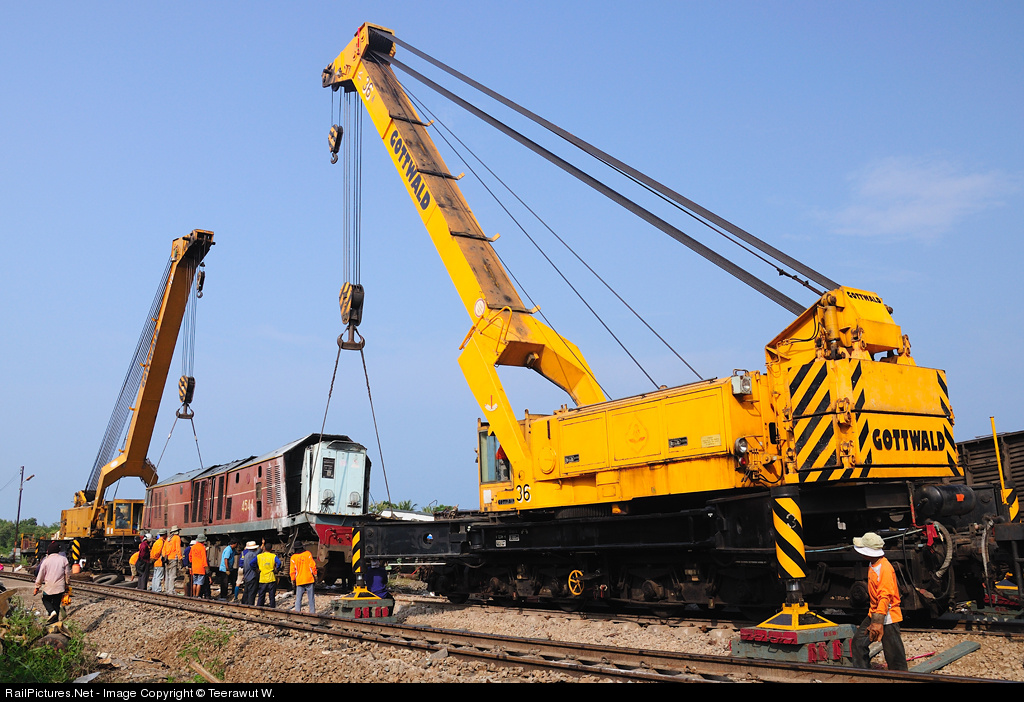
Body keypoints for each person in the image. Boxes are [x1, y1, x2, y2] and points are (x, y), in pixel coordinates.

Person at [851, 532, 908, 671]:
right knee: (858, 643)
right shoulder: (874, 564)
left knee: (894, 655)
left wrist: (878, 622)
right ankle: (863, 673)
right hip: (875, 613)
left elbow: (885, 596)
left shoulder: (884, 568)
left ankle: (901, 677)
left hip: (887, 616)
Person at [33, 543, 71, 623]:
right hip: (60, 587)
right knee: (56, 604)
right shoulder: (64, 559)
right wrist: (67, 583)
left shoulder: (46, 561)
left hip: (49, 586)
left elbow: (40, 575)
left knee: (45, 599)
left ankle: (51, 612)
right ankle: (55, 623)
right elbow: (67, 574)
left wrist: (37, 587)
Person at [289, 543, 317, 613]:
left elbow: (292, 570)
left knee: (298, 599)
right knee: (311, 599)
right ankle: (312, 613)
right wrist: (315, 574)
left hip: (300, 580)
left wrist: (293, 579)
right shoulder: (308, 554)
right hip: (309, 579)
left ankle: (297, 613)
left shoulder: (293, 557)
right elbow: (312, 566)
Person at [256, 543, 281, 608]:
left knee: (261, 595)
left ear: (264, 548)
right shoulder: (273, 556)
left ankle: (259, 607)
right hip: (271, 578)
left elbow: (251, 563)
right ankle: (272, 608)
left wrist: (256, 569)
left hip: (262, 578)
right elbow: (279, 563)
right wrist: (277, 569)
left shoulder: (259, 556)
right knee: (272, 596)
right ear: (271, 549)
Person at [189, 534, 210, 598]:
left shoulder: (193, 547)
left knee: (194, 582)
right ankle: (197, 595)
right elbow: (204, 559)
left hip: (194, 568)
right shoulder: (202, 548)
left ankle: (194, 595)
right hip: (201, 568)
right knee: (199, 583)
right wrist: (206, 568)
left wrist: (193, 563)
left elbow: (190, 557)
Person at [241, 541, 260, 605]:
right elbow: (252, 564)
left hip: (247, 575)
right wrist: (256, 569)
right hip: (252, 575)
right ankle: (250, 605)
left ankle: (244, 604)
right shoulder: (254, 555)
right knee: (252, 592)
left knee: (246, 591)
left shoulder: (246, 555)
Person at [164, 526, 182, 595]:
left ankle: (166, 589)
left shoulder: (168, 538)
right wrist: (180, 558)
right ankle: (171, 591)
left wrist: (164, 556)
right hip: (173, 558)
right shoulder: (177, 538)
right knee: (172, 576)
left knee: (167, 575)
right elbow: (178, 549)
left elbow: (164, 549)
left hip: (167, 558)